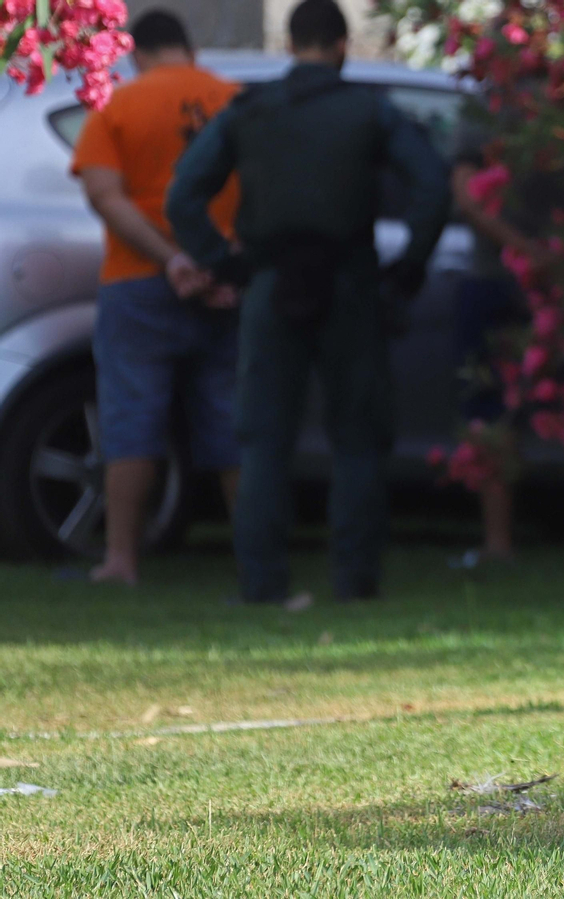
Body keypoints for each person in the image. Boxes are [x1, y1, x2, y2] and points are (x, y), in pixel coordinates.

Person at [166, 0, 450, 607]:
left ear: (291, 45)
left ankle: (262, 582)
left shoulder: (250, 110)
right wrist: (409, 269)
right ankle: (355, 579)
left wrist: (226, 264)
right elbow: (431, 183)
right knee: (357, 438)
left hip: (272, 283)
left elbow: (185, 194)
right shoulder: (369, 111)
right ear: (343, 45)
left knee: (263, 439)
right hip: (349, 282)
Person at [69, 9, 242, 586]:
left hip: (137, 281)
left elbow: (103, 196)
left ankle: (121, 559)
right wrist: (220, 262)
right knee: (232, 417)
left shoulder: (118, 107)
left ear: (136, 54)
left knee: (131, 421)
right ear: (188, 50)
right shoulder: (236, 101)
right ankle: (254, 556)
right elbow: (268, 190)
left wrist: (172, 259)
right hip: (225, 284)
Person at [448, 107, 564, 566]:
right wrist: (560, 252)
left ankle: (498, 543)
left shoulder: (486, 109)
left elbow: (466, 195)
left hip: (494, 275)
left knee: (492, 403)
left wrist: (520, 249)